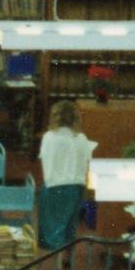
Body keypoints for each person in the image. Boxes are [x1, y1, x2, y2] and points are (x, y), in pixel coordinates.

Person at [36, 99, 97, 252]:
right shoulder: (81, 138)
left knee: (53, 228)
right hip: (75, 188)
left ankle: (55, 268)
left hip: (53, 186)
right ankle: (67, 263)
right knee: (70, 225)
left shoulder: (49, 137)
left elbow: (45, 160)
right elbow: (87, 162)